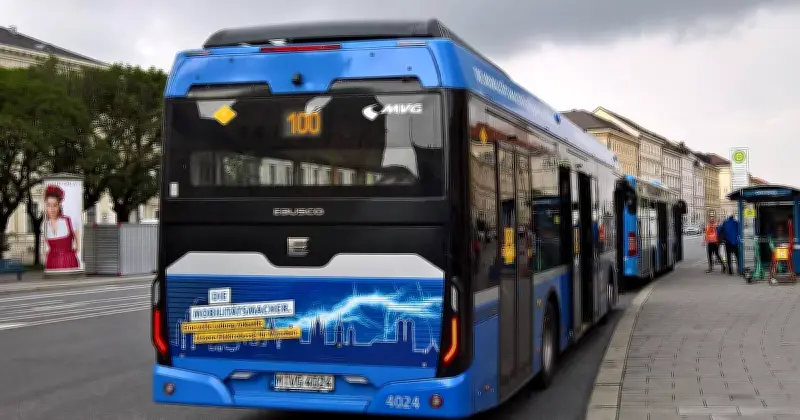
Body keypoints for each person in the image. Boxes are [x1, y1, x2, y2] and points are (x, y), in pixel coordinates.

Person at [43, 185, 81, 270]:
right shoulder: (44, 225)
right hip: (51, 262)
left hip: (68, 262)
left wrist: (76, 247)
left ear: (59, 205)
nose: (52, 209)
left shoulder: (69, 221)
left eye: (55, 205)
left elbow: (78, 240)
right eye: (48, 205)